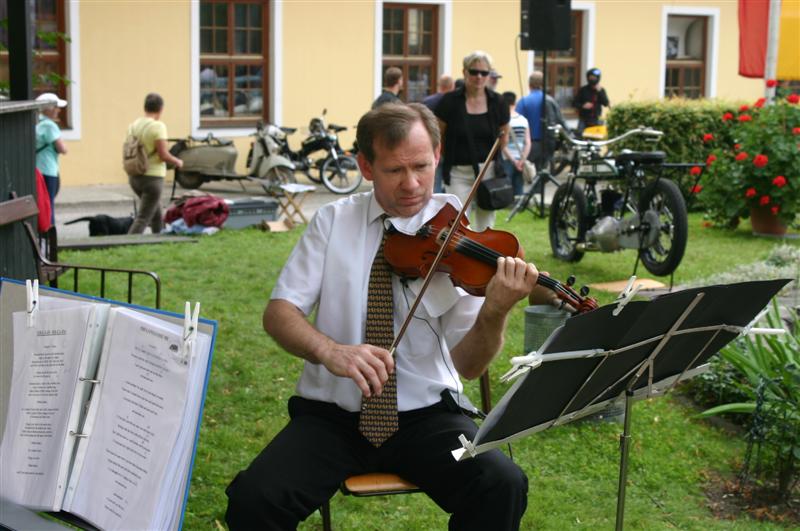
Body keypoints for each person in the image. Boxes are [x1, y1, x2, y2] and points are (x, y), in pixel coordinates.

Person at [225, 103, 558, 530]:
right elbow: (279, 313)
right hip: (333, 416)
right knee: (256, 500)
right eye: (394, 170)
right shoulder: (331, 223)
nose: (412, 184)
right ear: (365, 166)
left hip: (428, 417)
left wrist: (495, 310)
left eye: (422, 166)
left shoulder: (462, 238)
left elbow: (469, 365)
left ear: (437, 157)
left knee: (501, 483)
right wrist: (330, 351)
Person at [434, 51, 509, 231]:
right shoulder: (449, 101)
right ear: (465, 72)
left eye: (484, 73)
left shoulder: (497, 102)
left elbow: (503, 136)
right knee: (458, 222)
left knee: (486, 223)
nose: (479, 77)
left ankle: (482, 259)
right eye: (474, 72)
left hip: (488, 172)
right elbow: (437, 135)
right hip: (458, 172)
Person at [125, 93, 183, 234]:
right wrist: (177, 161)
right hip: (152, 178)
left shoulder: (133, 126)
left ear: (145, 107)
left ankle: (159, 240)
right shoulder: (158, 126)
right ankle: (126, 244)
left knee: (156, 214)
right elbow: (163, 155)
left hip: (134, 176)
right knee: (143, 218)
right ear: (161, 109)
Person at [515, 71, 568, 175]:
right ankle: (536, 191)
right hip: (546, 143)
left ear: (529, 84)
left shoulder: (524, 101)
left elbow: (516, 121)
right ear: (543, 85)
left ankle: (529, 191)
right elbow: (560, 120)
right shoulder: (550, 100)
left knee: (526, 174)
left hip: (528, 144)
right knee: (541, 174)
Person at [35, 93, 68, 226]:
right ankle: (50, 237)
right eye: (56, 107)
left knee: (42, 203)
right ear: (48, 109)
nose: (59, 110)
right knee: (48, 206)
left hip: (38, 168)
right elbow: (62, 148)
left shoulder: (37, 122)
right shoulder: (49, 125)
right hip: (48, 169)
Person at [422, 74, 455, 193]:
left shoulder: (427, 101)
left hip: (431, 145)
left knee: (434, 181)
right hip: (450, 148)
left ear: (439, 85)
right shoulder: (454, 102)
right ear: (452, 86)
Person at [501, 92, 531, 197]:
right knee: (519, 188)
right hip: (520, 159)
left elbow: (502, 144)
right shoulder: (524, 120)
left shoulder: (504, 121)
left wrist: (513, 161)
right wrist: (522, 160)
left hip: (507, 159)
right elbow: (527, 142)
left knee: (506, 188)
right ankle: (519, 207)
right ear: (515, 102)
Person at [574, 67, 609, 137]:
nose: (593, 79)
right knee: (579, 137)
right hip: (584, 120)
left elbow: (606, 103)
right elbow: (574, 103)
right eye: (591, 77)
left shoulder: (601, 90)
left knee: (597, 139)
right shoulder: (583, 90)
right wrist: (583, 106)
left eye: (594, 77)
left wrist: (600, 92)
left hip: (596, 120)